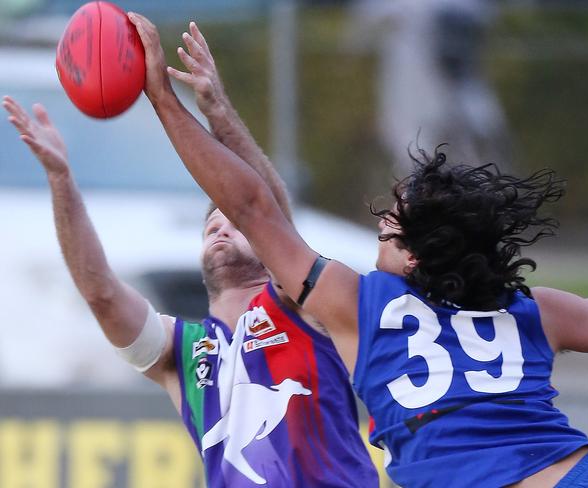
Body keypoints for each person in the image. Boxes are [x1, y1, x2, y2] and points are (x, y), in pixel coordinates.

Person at [129, 11, 588, 488]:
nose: (382, 218)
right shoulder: (536, 310)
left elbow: (252, 207)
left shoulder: (358, 306)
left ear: (416, 257)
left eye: (395, 217)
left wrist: (163, 99)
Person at [2, 22, 378, 488]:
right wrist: (61, 181)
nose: (220, 224)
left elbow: (260, 208)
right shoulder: (181, 352)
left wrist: (217, 113)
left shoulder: (302, 306)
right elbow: (100, 294)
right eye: (210, 224)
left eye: (232, 220)